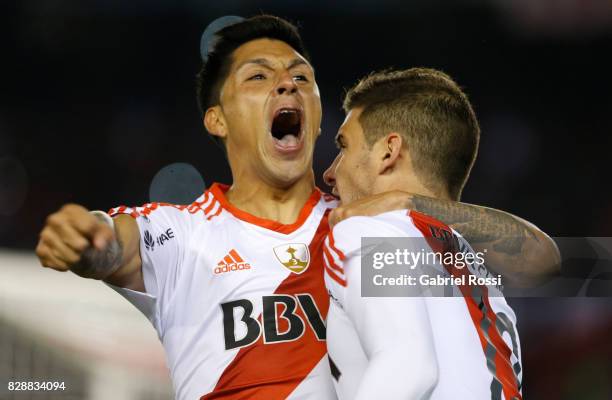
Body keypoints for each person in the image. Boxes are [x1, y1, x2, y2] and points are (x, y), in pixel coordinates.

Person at [35, 16, 554, 399]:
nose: (287, 84)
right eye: (259, 78)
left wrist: (415, 203)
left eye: (302, 78)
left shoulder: (371, 225)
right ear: (217, 120)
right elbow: (111, 243)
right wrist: (88, 238)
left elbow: (539, 261)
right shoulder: (183, 233)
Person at [323, 68, 524, 399]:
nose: (330, 172)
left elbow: (408, 368)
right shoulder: (478, 268)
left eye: (343, 147)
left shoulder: (364, 230)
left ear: (388, 152)